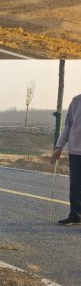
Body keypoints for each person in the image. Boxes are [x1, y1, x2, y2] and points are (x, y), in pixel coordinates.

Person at [52, 93, 81, 225]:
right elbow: (68, 126)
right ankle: (75, 215)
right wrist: (59, 146)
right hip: (75, 150)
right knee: (75, 185)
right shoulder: (76, 101)